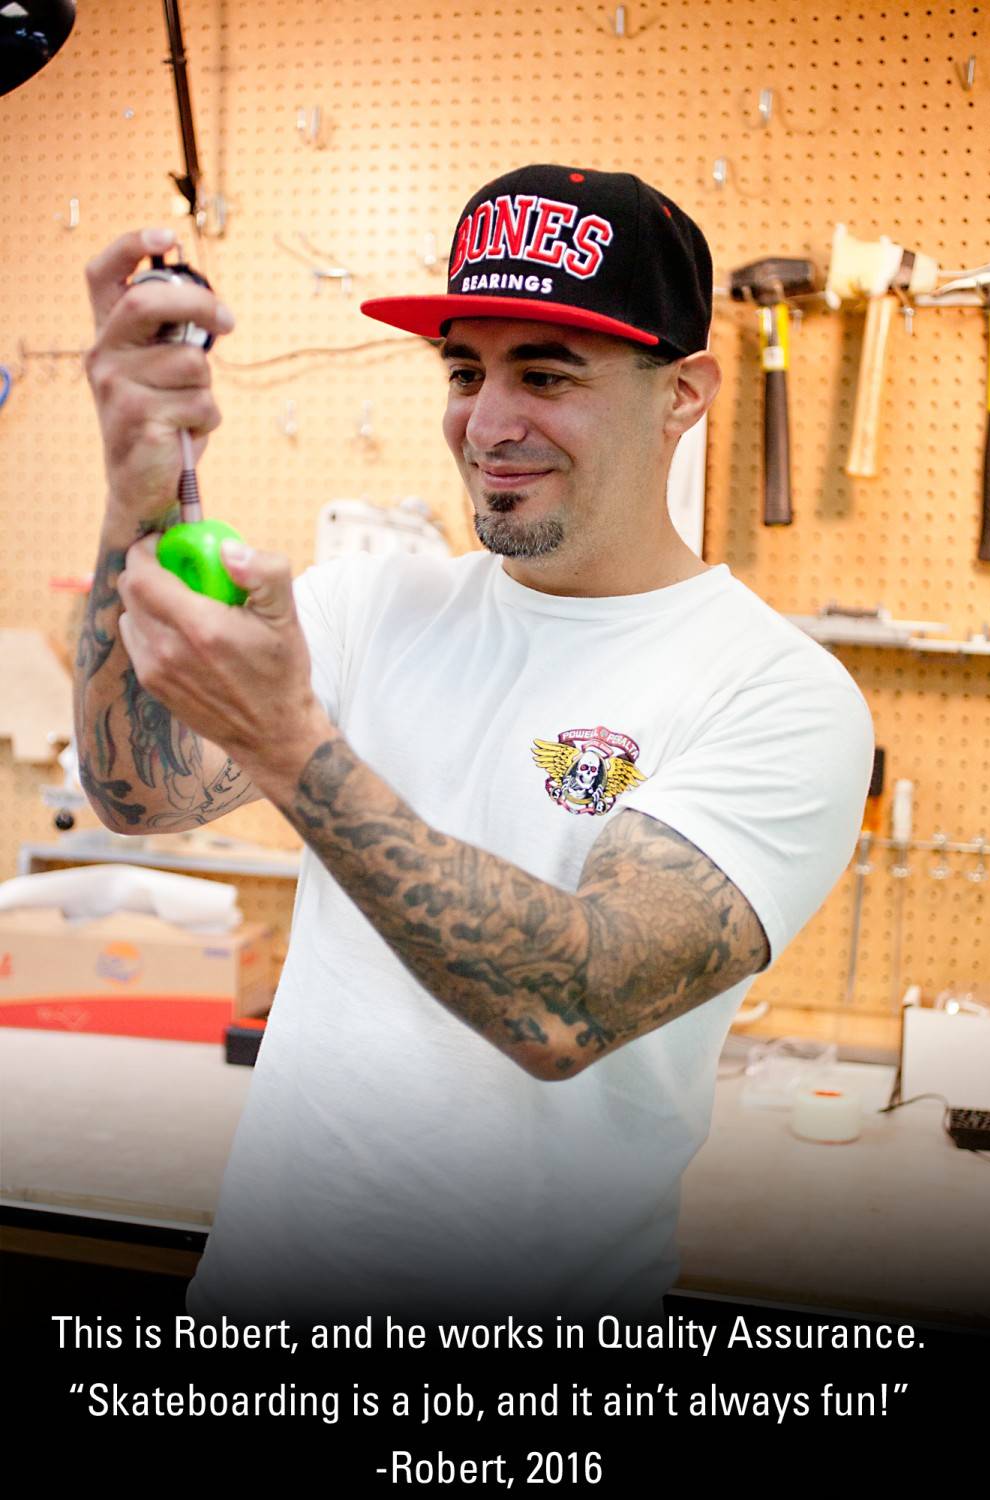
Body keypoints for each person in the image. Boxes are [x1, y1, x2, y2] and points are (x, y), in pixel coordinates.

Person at [77, 164, 874, 1323]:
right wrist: (136, 497)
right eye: (465, 370)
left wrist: (292, 746)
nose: (488, 423)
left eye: (545, 374)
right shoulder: (370, 607)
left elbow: (571, 1004)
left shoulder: (778, 695)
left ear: (683, 393)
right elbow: (139, 795)